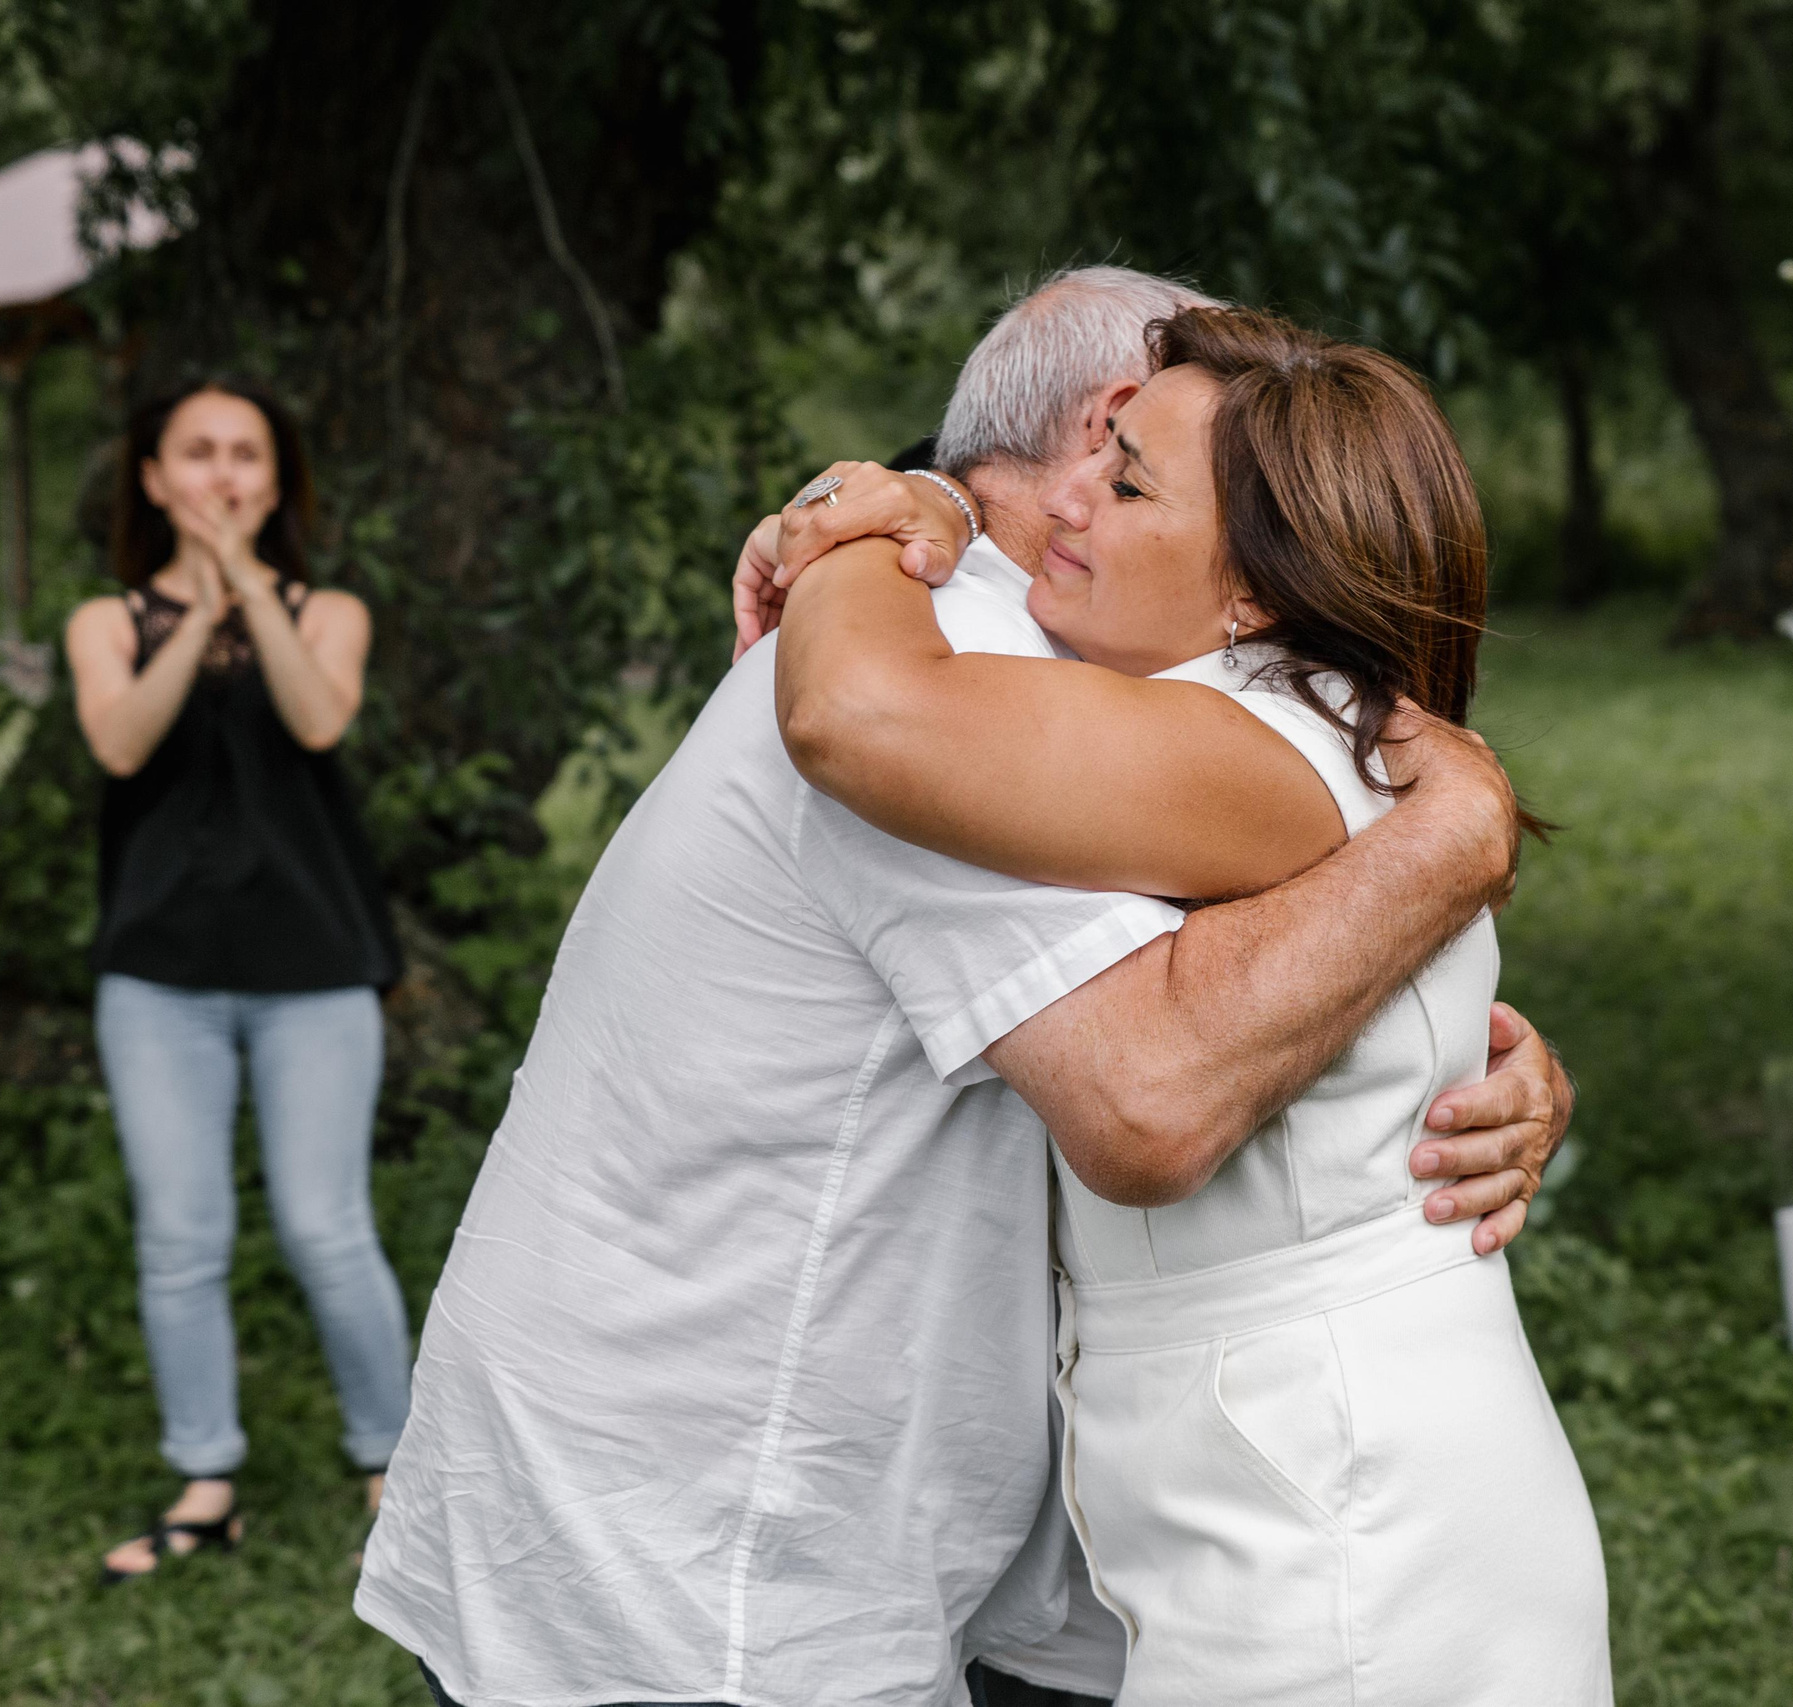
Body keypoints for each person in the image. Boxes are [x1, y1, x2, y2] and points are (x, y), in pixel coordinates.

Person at [354, 268, 1575, 1707]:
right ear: (1094, 420)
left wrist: (1458, 1046)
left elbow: (1237, 1001)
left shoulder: (1056, 690)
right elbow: (1151, 1088)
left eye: (1142, 479)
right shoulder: (968, 672)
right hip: (705, 1553)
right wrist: (1452, 842)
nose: (1100, 497)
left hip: (1184, 1507)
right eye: (1116, 461)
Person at [762, 305, 1612, 1702]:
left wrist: (862, 512)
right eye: (1096, 448)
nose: (1065, 498)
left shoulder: (1258, 730)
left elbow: (855, 714)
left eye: (1130, 479)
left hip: (1340, 1533)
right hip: (1316, 1484)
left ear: (1254, 596)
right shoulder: (1315, 725)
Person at [65, 379, 413, 1584]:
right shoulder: (104, 621)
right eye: (195, 454)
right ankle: (205, 1479)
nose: (221, 475)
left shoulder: (328, 609)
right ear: (153, 480)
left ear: (276, 482)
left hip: (311, 969)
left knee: (326, 1226)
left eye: (245, 455)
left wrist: (247, 589)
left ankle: (398, 1465)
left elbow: (317, 720)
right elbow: (120, 742)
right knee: (180, 1236)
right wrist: (194, 601)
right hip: (157, 979)